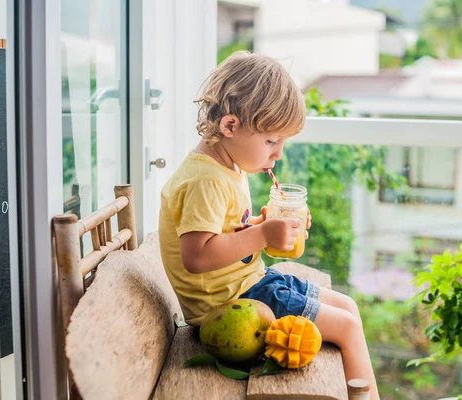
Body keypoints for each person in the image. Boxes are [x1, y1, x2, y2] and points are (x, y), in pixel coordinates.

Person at [158, 51, 379, 399]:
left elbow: (224, 236)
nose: (278, 154)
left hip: (249, 283)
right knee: (348, 327)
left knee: (349, 307)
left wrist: (263, 224)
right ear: (230, 126)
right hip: (230, 307)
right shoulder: (205, 181)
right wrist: (262, 234)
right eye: (271, 141)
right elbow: (197, 256)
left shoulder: (226, 168)